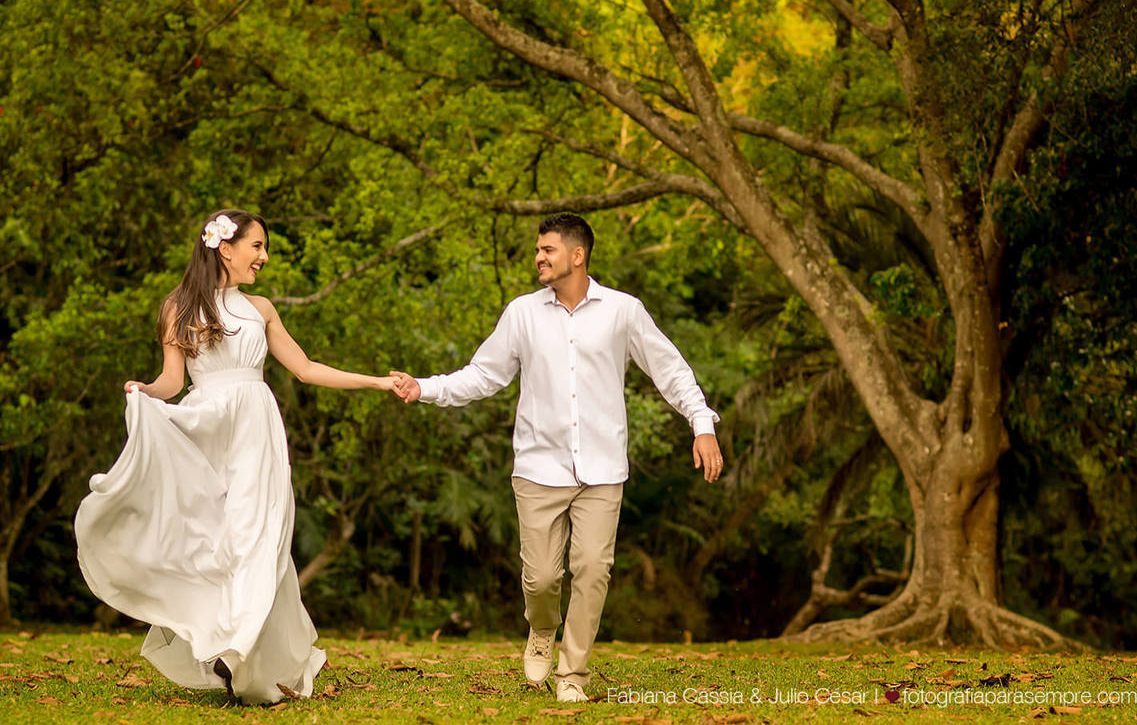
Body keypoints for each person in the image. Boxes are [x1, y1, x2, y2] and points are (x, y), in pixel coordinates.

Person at [391, 213, 723, 703]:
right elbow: (483, 375)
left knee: (592, 569)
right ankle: (541, 628)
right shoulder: (522, 313)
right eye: (538, 250)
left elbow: (668, 369)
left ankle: (573, 674)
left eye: (547, 249)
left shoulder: (623, 311)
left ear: (577, 254)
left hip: (603, 467)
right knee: (543, 576)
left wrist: (702, 423)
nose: (539, 257)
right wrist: (425, 389)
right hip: (538, 467)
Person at [75, 209, 399, 705]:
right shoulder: (177, 307)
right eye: (257, 246)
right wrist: (145, 392)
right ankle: (223, 642)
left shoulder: (261, 308)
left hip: (255, 430)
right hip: (205, 427)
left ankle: (238, 649)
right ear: (225, 248)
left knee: (258, 535)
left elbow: (306, 368)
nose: (264, 257)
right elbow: (172, 381)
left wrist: (376, 381)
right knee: (215, 540)